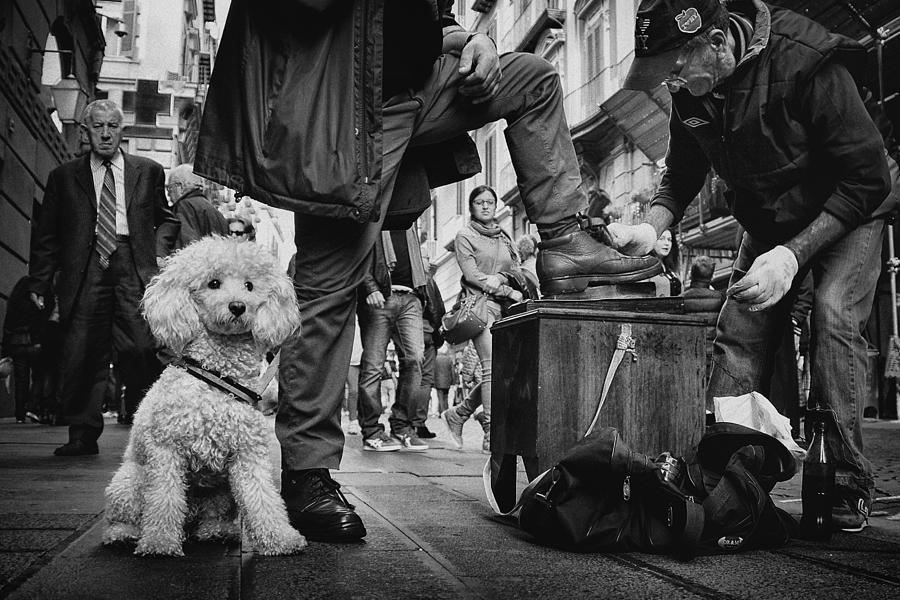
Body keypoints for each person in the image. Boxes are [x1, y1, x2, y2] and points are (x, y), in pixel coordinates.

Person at [195, 0, 661, 543]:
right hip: (343, 107)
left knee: (532, 78)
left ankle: (565, 241)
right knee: (325, 292)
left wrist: (466, 39)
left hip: (425, 81)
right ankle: (306, 474)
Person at [613, 0, 892, 532]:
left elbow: (868, 177)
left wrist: (791, 257)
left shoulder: (806, 61)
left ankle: (848, 482)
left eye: (675, 68)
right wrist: (652, 226)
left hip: (850, 207)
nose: (668, 83)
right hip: (769, 216)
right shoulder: (690, 93)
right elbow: (682, 172)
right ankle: (727, 474)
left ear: (718, 44)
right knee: (739, 328)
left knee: (833, 315)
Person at [28, 99, 180, 455]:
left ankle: (151, 432)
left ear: (121, 131)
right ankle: (81, 434)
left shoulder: (148, 170)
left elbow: (168, 219)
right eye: (98, 126)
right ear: (85, 131)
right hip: (86, 267)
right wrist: (39, 281)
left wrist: (158, 253)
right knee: (82, 351)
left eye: (113, 126)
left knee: (142, 349)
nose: (106, 133)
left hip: (132, 263)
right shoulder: (63, 177)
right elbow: (48, 234)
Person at [441, 185, 522, 454]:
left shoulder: (504, 236)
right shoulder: (465, 235)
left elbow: (515, 269)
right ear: (471, 206)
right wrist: (507, 288)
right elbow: (474, 276)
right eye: (479, 202)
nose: (485, 206)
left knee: (502, 371)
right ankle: (491, 433)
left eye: (490, 201)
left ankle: (459, 414)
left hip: (506, 309)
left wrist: (502, 278)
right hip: (480, 307)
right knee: (491, 367)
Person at [356, 226, 429, 452]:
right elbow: (358, 251)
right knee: (373, 366)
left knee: (416, 359)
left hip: (410, 297)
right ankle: (371, 430)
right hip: (380, 296)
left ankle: (402, 426)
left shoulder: (410, 222)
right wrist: (369, 287)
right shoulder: (375, 215)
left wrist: (421, 294)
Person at [1, 276, 54, 424]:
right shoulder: (36, 304)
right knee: (38, 376)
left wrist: (5, 351)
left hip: (16, 344)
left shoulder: (14, 303)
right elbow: (41, 325)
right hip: (34, 344)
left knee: (21, 380)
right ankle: (32, 406)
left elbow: (7, 327)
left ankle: (19, 415)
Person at [413, 268, 446, 439]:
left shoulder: (407, 273)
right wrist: (437, 333)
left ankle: (405, 423)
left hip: (409, 332)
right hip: (427, 331)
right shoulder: (427, 278)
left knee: (410, 375)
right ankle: (419, 422)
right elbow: (438, 308)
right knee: (425, 379)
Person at [682, 256, 724, 385]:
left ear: (691, 274)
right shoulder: (720, 299)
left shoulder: (681, 299)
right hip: (712, 356)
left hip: (688, 355)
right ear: (713, 276)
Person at [166, 163, 229, 248]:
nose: (169, 194)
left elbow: (186, 246)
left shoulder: (184, 206)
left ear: (180, 186)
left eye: (170, 188)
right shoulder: (215, 212)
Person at [650, 229, 682, 296]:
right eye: (662, 239)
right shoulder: (645, 267)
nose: (667, 243)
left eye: (669, 240)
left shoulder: (671, 269)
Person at [432, 346, 454, 417]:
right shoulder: (449, 359)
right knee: (446, 397)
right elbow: (452, 371)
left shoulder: (435, 359)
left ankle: (442, 413)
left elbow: (433, 371)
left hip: (438, 381)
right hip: (447, 381)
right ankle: (446, 412)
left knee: (440, 398)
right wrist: (453, 381)